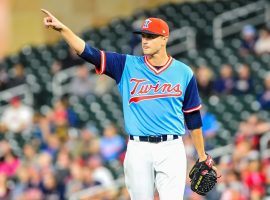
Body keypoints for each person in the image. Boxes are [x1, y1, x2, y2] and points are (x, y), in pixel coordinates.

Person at [41, 9, 213, 199]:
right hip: (138, 148)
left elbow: (193, 117)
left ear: (164, 39)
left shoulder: (184, 72)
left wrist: (202, 154)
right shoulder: (126, 65)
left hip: (171, 147)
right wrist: (64, 30)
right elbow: (89, 53)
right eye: (143, 36)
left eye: (151, 36)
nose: (145, 40)